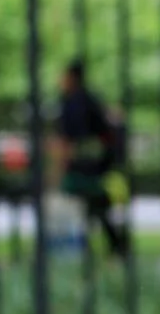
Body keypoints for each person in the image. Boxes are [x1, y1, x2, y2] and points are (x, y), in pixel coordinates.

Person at [52, 59, 129, 258]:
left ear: (72, 78)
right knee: (93, 204)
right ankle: (110, 244)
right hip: (97, 161)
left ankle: (110, 244)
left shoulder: (72, 102)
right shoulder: (90, 99)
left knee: (92, 202)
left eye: (64, 76)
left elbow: (68, 138)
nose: (61, 80)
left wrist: (61, 165)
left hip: (85, 163)